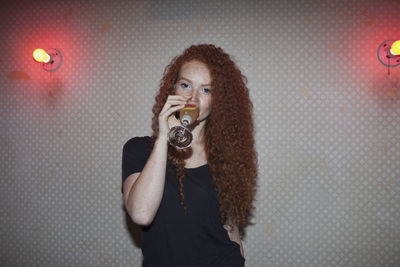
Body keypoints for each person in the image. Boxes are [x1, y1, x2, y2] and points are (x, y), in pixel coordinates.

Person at [122, 44, 257, 267]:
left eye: (206, 90)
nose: (192, 98)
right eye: (186, 85)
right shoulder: (139, 149)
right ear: (173, 88)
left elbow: (230, 228)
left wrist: (240, 257)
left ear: (218, 100)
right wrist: (164, 137)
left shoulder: (226, 157)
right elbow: (141, 214)